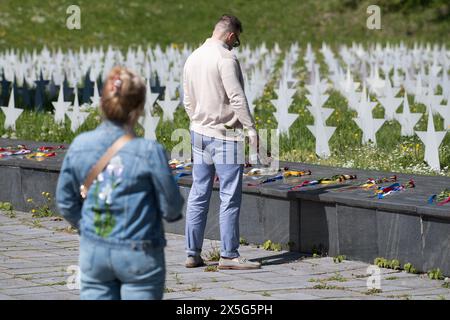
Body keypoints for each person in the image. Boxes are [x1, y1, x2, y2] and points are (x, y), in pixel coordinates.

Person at [56, 67, 184, 300]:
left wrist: (85, 226)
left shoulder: (79, 144)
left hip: (94, 250)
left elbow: (65, 201)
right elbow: (171, 206)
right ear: (138, 109)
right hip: (139, 253)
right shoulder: (149, 151)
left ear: (102, 102)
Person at [182, 14, 261, 270]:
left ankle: (192, 253)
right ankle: (229, 255)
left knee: (199, 192)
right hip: (225, 136)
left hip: (198, 132)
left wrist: (198, 120)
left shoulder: (193, 56)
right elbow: (236, 97)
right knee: (229, 195)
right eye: (236, 40)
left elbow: (187, 99)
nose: (234, 45)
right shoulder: (225, 58)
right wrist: (251, 129)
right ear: (230, 35)